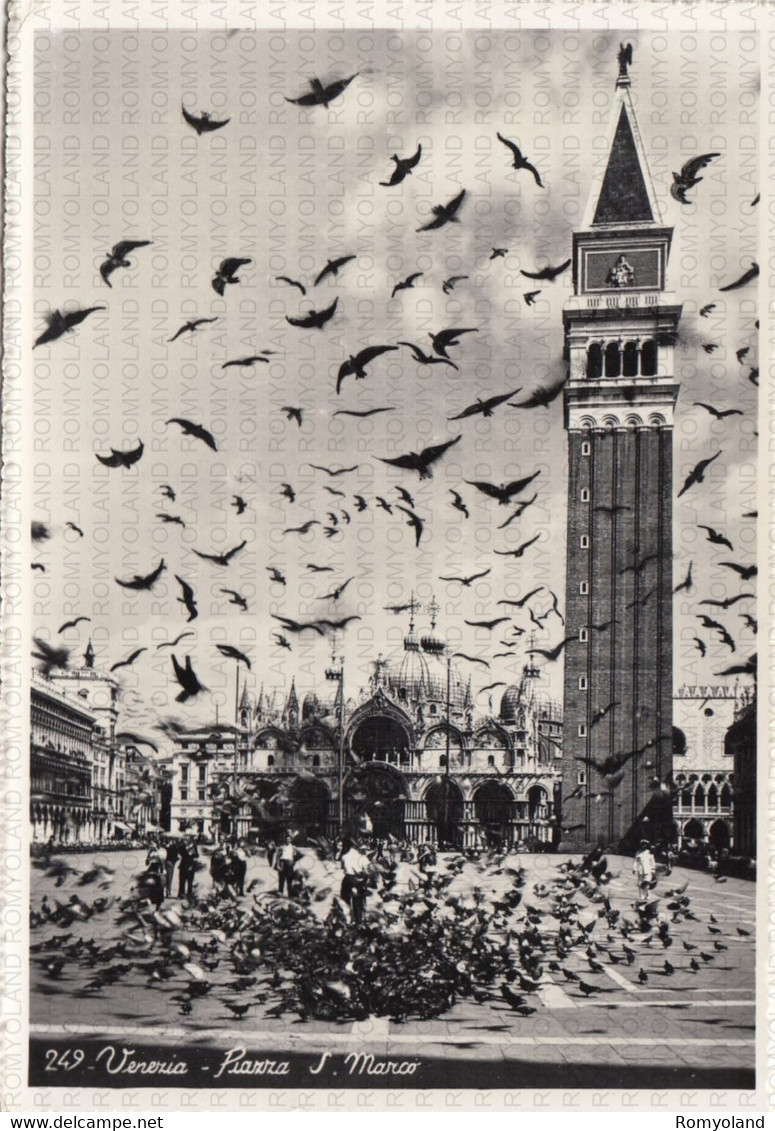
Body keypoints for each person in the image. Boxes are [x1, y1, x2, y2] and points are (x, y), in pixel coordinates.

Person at [340, 837, 369, 923]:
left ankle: (347, 920)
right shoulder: (362, 857)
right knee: (358, 902)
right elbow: (368, 870)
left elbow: (343, 867)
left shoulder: (344, 856)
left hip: (347, 879)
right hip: (358, 880)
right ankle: (358, 921)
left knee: (345, 901)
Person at [275, 832, 298, 896]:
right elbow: (278, 856)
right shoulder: (281, 847)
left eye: (289, 839)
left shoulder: (293, 847)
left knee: (289, 879)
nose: (288, 840)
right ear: (284, 840)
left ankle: (290, 893)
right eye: (286, 839)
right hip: (282, 863)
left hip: (290, 864)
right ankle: (280, 892)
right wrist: (278, 864)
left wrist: (293, 862)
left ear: (291, 840)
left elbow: (295, 856)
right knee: (281, 878)